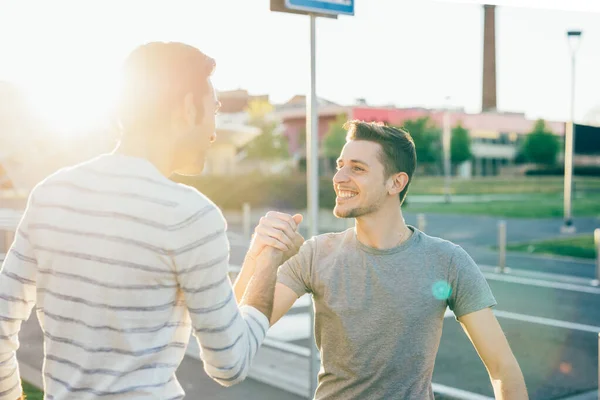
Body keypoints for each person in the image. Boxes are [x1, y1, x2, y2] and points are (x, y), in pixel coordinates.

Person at [0, 42, 292, 400]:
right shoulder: (191, 215)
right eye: (213, 109)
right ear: (187, 109)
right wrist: (269, 262)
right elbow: (229, 364)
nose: (214, 132)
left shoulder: (51, 193)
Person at [234, 120, 528, 399]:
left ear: (395, 182)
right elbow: (233, 338)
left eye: (357, 168)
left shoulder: (448, 261)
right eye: (340, 166)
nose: (339, 178)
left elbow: (503, 369)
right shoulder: (315, 254)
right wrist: (257, 256)